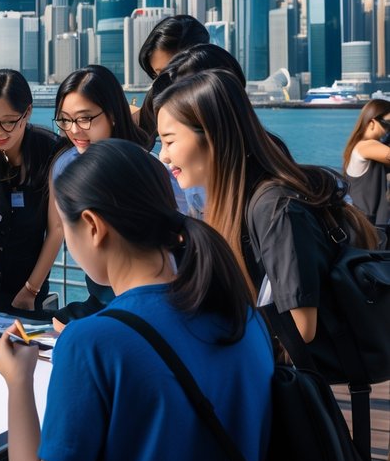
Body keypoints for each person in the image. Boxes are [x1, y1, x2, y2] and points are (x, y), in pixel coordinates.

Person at [0, 139, 273, 461]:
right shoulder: (245, 317)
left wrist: (19, 381)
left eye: (66, 229)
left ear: (93, 227)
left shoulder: (91, 343)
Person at [156, 70, 378, 355]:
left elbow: (301, 327)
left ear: (211, 135)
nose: (163, 155)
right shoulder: (239, 201)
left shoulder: (275, 208)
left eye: (170, 140)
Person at [47, 65, 168, 329]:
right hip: (98, 299)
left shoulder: (147, 168)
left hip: (144, 307)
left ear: (113, 115)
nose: (75, 130)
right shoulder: (66, 164)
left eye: (85, 118)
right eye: (65, 120)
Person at [0, 70, 63, 313]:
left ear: (28, 112)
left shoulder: (50, 151)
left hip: (30, 286)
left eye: (9, 122)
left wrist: (30, 290)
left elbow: (57, 230)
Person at [132, 15, 209, 135]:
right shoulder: (159, 92)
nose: (167, 85)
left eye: (174, 74)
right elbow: (137, 125)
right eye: (158, 74)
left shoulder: (218, 102)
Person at [341, 99, 390, 234]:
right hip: (367, 228)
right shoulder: (365, 146)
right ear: (372, 122)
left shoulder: (366, 147)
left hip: (371, 226)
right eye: (388, 124)